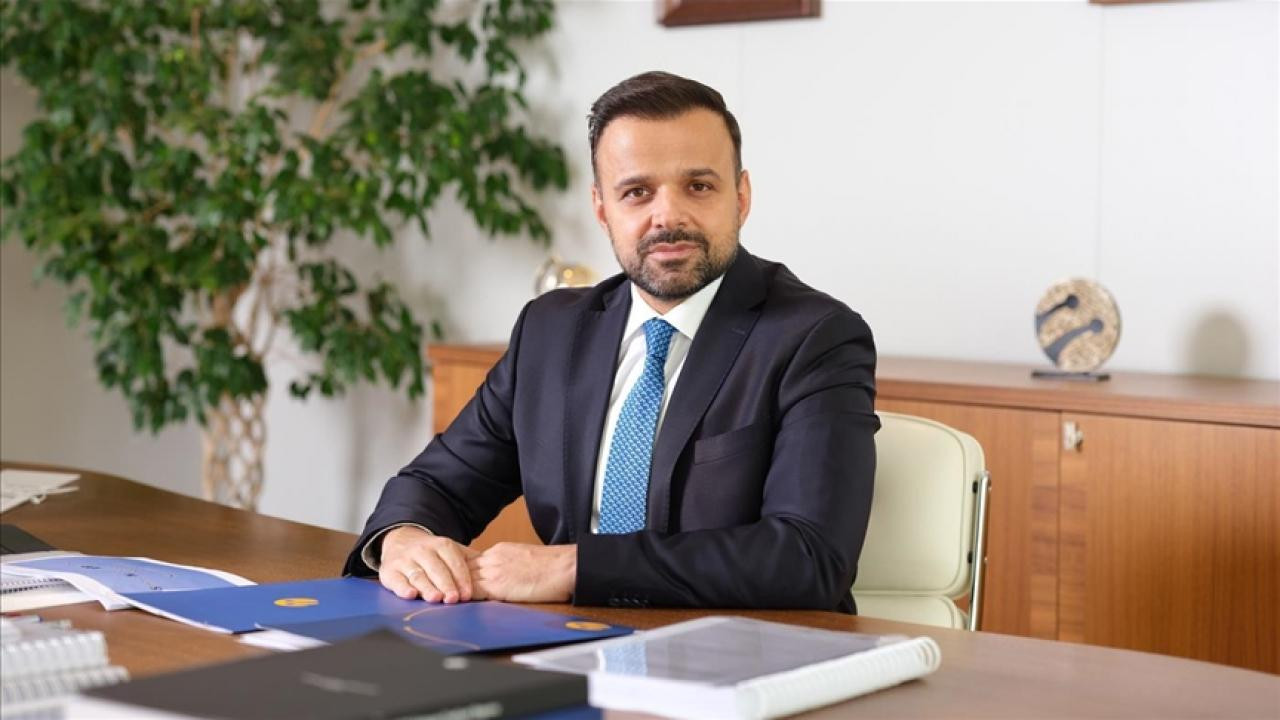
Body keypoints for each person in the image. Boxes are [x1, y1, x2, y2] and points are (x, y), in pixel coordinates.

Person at [343, 71, 878, 613]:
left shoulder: (815, 337)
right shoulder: (549, 331)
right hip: (569, 642)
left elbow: (809, 558)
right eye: (637, 192)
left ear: (741, 197)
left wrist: (575, 568)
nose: (667, 216)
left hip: (741, 649)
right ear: (602, 209)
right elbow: (439, 483)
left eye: (698, 186)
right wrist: (404, 538)